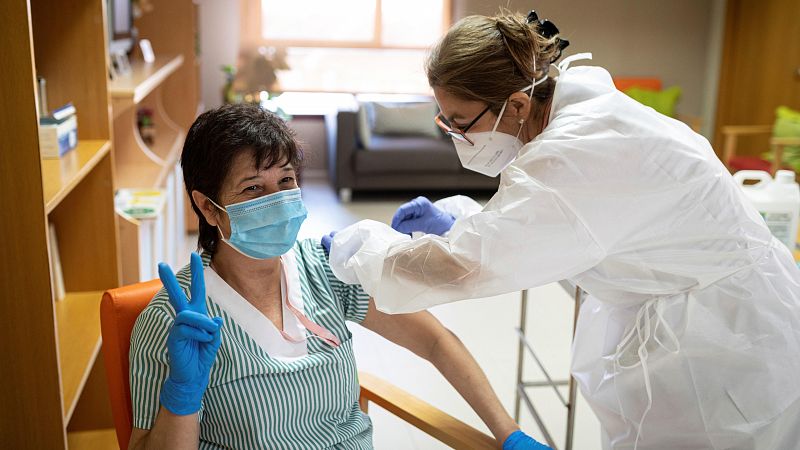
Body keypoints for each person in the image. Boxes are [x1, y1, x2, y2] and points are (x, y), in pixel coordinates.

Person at [326, 9, 800, 450]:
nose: (456, 136)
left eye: (459, 122)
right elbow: (569, 224)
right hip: (694, 313)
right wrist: (464, 222)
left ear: (515, 104)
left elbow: (468, 267)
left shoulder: (577, 151)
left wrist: (361, 249)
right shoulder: (576, 119)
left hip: (729, 345)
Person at [127, 104, 549, 449]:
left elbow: (434, 340)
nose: (277, 200)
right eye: (253, 188)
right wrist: (182, 397)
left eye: (286, 181)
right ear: (207, 206)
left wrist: (510, 434)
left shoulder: (325, 268)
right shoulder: (173, 322)